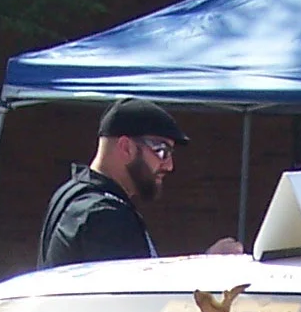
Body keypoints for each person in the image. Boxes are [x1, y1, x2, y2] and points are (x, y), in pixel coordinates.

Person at [36, 98, 188, 267]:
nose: (169, 165)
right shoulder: (105, 215)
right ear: (126, 147)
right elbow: (139, 289)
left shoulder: (73, 194)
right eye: (162, 151)